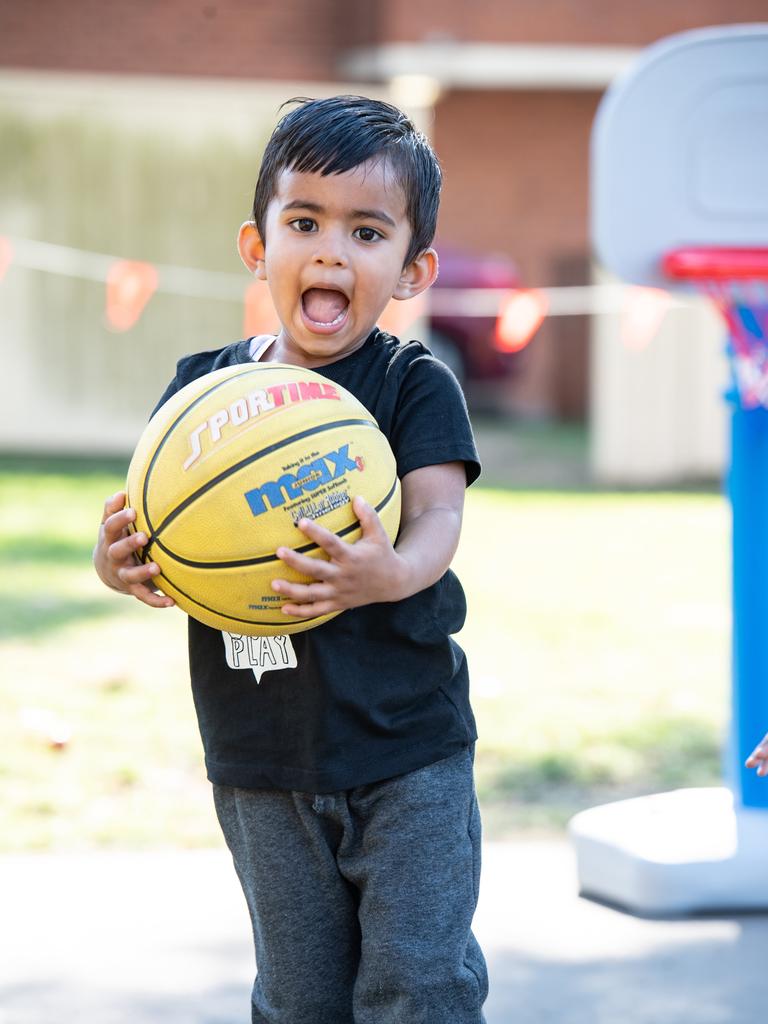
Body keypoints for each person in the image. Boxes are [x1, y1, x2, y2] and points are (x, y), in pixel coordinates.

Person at [93, 95, 487, 1023]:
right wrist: (121, 561)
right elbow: (157, 526)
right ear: (256, 245)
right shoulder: (201, 392)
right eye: (304, 222)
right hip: (260, 756)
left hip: (408, 751)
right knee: (300, 996)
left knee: (418, 986)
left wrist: (395, 570)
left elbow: (438, 512)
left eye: (366, 230)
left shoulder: (410, 383)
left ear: (411, 269)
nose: (330, 252)